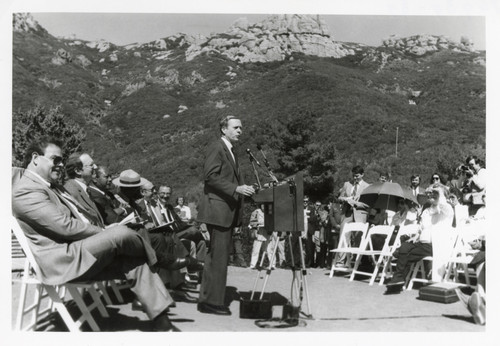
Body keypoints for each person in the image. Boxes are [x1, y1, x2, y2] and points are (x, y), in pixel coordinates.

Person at [12, 137, 179, 331]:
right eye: (55, 159)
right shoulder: (26, 191)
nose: (60, 165)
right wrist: (103, 231)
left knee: (135, 260)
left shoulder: (48, 185)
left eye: (61, 161)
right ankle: (160, 258)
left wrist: (102, 231)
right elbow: (65, 226)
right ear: (35, 158)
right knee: (120, 233)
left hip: (79, 252)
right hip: (61, 260)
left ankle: (162, 320)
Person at [196, 115, 255, 316]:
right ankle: (211, 302)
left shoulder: (230, 150)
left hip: (225, 213)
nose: (240, 131)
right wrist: (236, 188)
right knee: (218, 258)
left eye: (241, 127)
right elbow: (210, 177)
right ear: (224, 129)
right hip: (218, 211)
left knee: (218, 258)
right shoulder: (217, 147)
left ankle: (208, 299)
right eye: (236, 127)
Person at [386, 183, 454, 292]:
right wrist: (417, 235)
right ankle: (398, 278)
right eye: (431, 194)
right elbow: (422, 227)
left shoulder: (447, 209)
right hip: (422, 243)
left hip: (436, 245)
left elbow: (442, 204)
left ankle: (398, 278)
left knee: (404, 254)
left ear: (442, 196)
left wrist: (439, 191)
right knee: (404, 247)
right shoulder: (427, 210)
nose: (432, 195)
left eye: (435, 194)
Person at [336, 165, 370, 267]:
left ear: (362, 175)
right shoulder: (347, 184)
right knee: (343, 235)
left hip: (360, 214)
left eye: (357, 176)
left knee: (358, 238)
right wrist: (346, 199)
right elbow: (339, 197)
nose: (355, 178)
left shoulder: (367, 186)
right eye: (354, 176)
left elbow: (368, 204)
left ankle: (357, 261)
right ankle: (340, 261)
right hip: (347, 213)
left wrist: (356, 203)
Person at [248, 203, 274, 269]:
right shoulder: (256, 212)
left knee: (269, 250)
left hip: (267, 233)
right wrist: (258, 224)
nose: (263, 206)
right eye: (262, 205)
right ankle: (252, 265)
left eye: (264, 205)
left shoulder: (270, 212)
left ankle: (272, 265)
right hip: (259, 233)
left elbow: (273, 222)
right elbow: (252, 222)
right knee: (255, 250)